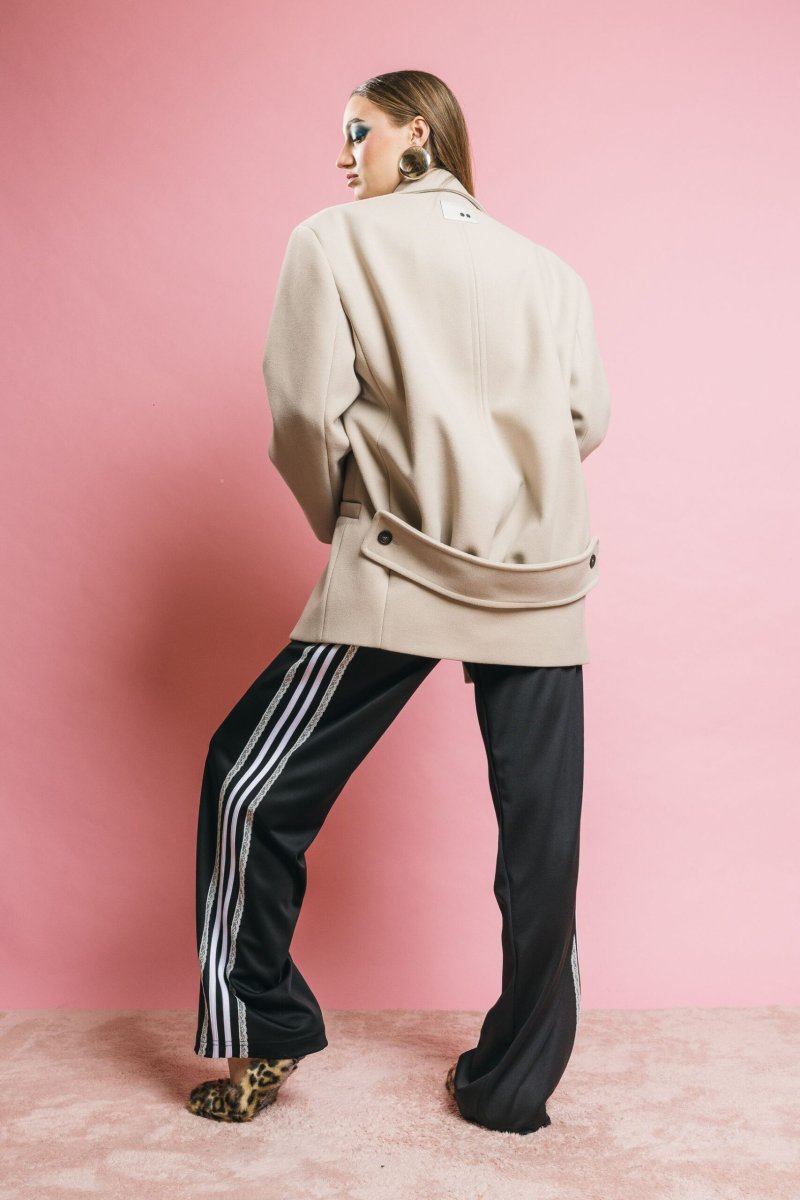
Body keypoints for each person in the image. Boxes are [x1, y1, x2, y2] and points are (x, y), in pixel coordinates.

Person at [186, 69, 611, 1134]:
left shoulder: (332, 241)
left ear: (415, 132)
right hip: (540, 578)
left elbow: (302, 415)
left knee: (248, 785)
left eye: (358, 131)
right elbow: (585, 420)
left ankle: (263, 1029)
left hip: (398, 563)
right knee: (542, 846)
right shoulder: (551, 271)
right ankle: (512, 1089)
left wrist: (346, 514)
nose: (343, 156)